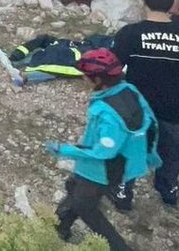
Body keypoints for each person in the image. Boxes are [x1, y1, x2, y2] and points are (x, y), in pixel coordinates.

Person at [44, 49, 160, 251]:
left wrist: (64, 150)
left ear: (98, 79)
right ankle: (59, 227)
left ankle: (118, 247)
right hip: (118, 165)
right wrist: (150, 154)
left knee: (85, 207)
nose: (82, 78)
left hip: (101, 170)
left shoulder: (107, 113)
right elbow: (151, 123)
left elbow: (103, 152)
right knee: (74, 188)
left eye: (85, 76)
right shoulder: (129, 90)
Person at [112, 0, 179, 209]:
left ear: (143, 2)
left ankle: (124, 193)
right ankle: (168, 190)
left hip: (137, 108)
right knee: (172, 149)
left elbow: (112, 70)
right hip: (176, 108)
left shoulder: (130, 34)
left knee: (132, 148)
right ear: (172, 6)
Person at [0, 33, 115, 88]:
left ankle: (21, 71)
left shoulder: (75, 44)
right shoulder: (96, 51)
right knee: (55, 70)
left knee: (53, 67)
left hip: (62, 55)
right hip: (67, 59)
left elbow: (41, 40)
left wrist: (17, 54)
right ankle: (21, 72)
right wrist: (17, 53)